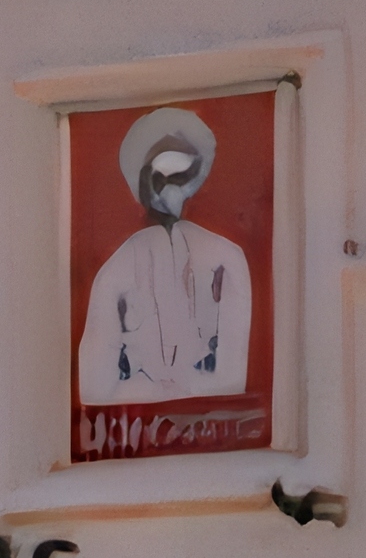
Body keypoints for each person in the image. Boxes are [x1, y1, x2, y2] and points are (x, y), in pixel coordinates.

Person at [76, 106, 252, 406]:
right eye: (159, 178)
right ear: (142, 181)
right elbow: (94, 390)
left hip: (207, 430)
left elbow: (232, 380)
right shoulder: (116, 271)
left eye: (180, 176)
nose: (167, 192)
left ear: (196, 175)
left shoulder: (226, 260)